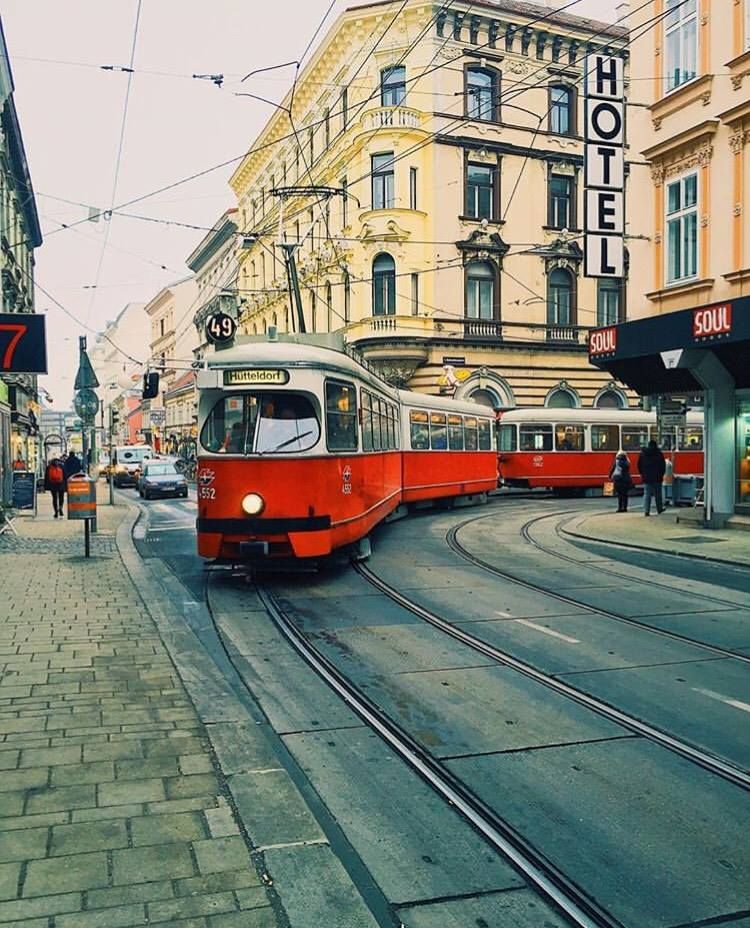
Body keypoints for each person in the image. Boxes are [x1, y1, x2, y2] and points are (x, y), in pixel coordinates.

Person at [639, 439, 666, 516]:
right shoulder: (659, 453)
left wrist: (642, 474)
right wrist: (661, 474)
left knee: (647, 494)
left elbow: (639, 465)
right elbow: (662, 466)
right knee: (658, 494)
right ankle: (659, 509)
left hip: (647, 477)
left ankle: (646, 511)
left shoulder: (643, 454)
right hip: (657, 477)